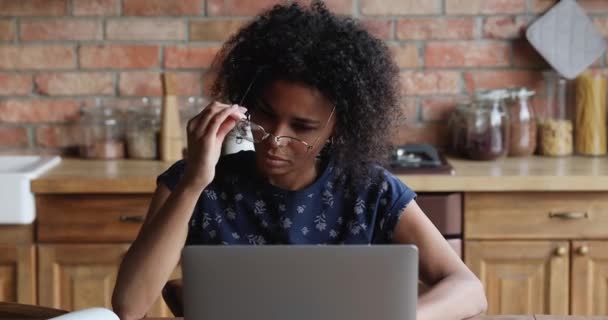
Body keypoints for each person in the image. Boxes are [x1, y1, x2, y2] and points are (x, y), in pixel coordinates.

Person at [111, 2, 487, 320]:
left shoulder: (369, 189)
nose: (275, 138)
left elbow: (469, 289)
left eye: (303, 127)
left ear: (339, 128)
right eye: (263, 113)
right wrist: (195, 181)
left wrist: (406, 316)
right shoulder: (192, 181)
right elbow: (129, 306)